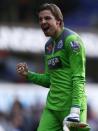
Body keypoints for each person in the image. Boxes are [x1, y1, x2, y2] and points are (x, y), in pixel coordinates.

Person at [16, 3, 90, 131]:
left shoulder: (72, 41)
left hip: (71, 107)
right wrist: (28, 75)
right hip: (52, 109)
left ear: (59, 21)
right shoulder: (48, 46)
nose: (42, 22)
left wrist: (75, 110)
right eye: (40, 19)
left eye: (47, 18)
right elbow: (49, 79)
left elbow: (79, 77)